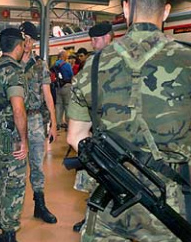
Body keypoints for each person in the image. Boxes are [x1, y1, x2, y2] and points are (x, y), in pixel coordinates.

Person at [66, 0, 191, 241]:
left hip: (108, 200)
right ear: (166, 11)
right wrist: (178, 165)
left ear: (126, 9)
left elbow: (75, 137)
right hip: (168, 202)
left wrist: (113, 170)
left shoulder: (93, 66)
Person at [0, 28, 29, 242]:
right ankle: (9, 232)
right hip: (9, 135)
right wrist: (24, 141)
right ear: (18, 46)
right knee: (14, 183)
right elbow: (18, 109)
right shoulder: (14, 71)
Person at [72, 21, 115, 233]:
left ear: (109, 37)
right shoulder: (95, 62)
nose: (93, 43)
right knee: (98, 183)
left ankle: (97, 223)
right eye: (91, 39)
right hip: (101, 132)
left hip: (106, 133)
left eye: (96, 39)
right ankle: (91, 219)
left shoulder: (96, 63)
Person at [19, 21, 58, 224]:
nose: (27, 43)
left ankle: (39, 205)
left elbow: (48, 95)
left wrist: (54, 122)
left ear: (34, 42)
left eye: (30, 39)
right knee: (14, 166)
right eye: (23, 38)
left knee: (37, 165)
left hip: (35, 119)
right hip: (14, 120)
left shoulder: (40, 65)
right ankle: (10, 209)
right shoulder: (11, 63)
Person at [54, 50, 73, 130]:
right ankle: (68, 124)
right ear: (63, 56)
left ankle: (58, 124)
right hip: (66, 86)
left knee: (58, 105)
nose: (67, 57)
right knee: (67, 105)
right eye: (66, 56)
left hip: (58, 87)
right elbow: (71, 74)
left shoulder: (55, 64)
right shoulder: (67, 65)